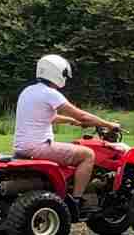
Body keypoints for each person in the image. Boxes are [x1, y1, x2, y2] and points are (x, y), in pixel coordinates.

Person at [13, 54, 121, 208]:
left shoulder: (28, 91)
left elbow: (47, 117)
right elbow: (83, 115)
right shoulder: (51, 94)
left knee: (72, 149)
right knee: (87, 155)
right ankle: (76, 200)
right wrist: (109, 125)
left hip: (21, 147)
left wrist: (71, 121)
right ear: (57, 73)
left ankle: (66, 190)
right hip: (39, 147)